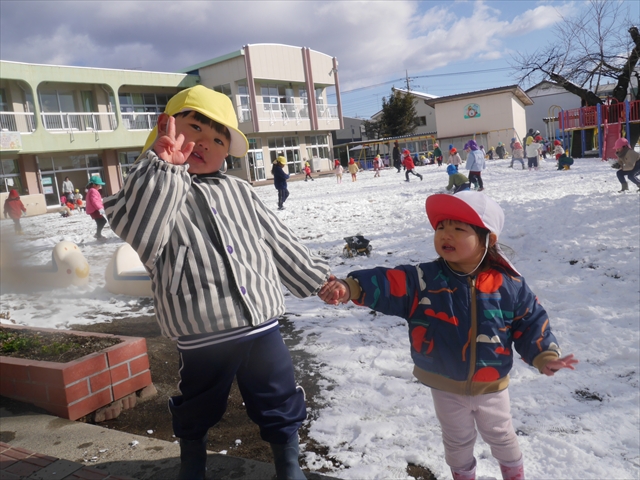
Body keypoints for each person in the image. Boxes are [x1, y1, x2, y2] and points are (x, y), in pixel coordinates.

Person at [103, 85, 331, 480]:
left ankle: (288, 464)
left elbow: (277, 239)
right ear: (166, 127)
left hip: (261, 322)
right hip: (202, 329)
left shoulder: (240, 190)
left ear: (228, 152)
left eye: (219, 139)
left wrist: (318, 279)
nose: (206, 143)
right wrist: (165, 169)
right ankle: (193, 461)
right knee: (199, 402)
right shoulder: (152, 187)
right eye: (195, 129)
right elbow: (139, 229)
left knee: (278, 396)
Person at [318, 191, 578, 480]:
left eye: (458, 228)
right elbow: (388, 283)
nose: (446, 234)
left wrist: (544, 355)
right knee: (457, 442)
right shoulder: (423, 280)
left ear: (488, 239)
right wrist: (350, 287)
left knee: (502, 436)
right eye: (441, 227)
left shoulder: (509, 284)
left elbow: (530, 322)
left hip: (491, 384)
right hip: (445, 386)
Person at [85, 175, 107, 240]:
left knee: (100, 222)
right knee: (102, 221)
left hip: (94, 209)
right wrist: (100, 208)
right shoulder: (93, 191)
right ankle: (98, 235)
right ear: (94, 185)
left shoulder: (91, 190)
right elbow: (95, 201)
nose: (100, 187)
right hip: (94, 210)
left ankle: (98, 234)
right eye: (99, 185)